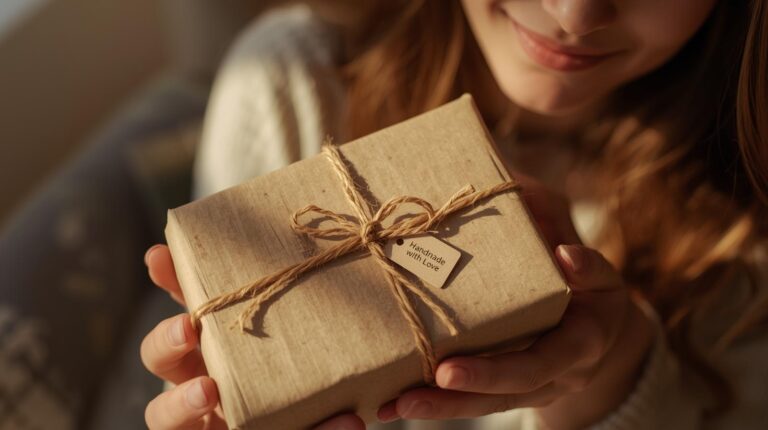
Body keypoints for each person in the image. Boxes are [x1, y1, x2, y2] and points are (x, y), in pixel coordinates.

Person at [140, 0, 768, 429]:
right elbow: (235, 360)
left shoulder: (745, 221)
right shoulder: (290, 83)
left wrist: (614, 375)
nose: (574, 14)